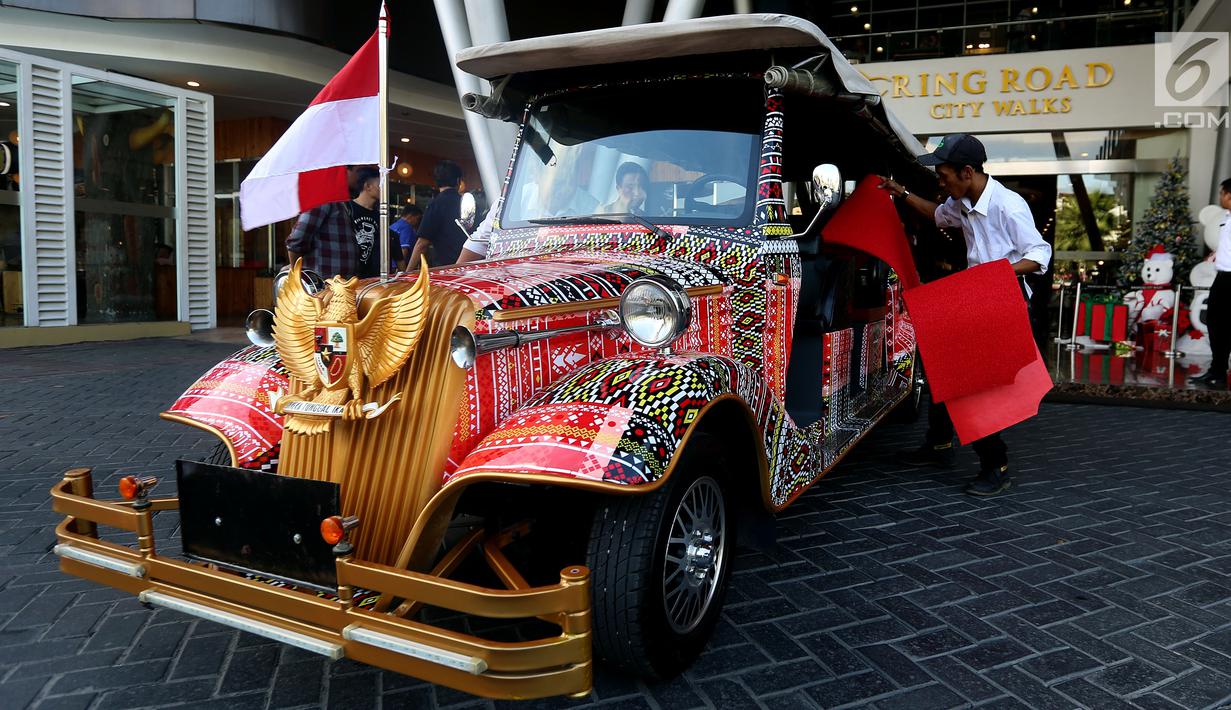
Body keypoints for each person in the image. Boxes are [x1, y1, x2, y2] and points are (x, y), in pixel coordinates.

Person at [879, 133, 1052, 497]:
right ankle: (939, 444)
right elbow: (937, 216)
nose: (940, 182)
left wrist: (999, 273)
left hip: (1002, 298)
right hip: (976, 295)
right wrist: (901, 193)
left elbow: (1039, 254)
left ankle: (996, 466)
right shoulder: (962, 202)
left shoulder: (1008, 204)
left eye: (943, 175)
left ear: (967, 171)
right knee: (942, 362)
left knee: (972, 384)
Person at [1191, 178, 1231, 388]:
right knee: (1216, 324)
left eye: (1222, 193)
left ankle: (1219, 372)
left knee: (1223, 325)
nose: (1220, 197)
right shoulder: (1226, 217)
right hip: (1222, 276)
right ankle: (1217, 371)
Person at [409, 160, 464, 268]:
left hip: (445, 269)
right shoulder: (467, 203)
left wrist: (407, 272)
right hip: (470, 266)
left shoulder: (436, 204)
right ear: (458, 181)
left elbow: (422, 244)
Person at [351, 167, 403, 278]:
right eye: (381, 184)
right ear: (368, 186)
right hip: (350, 278)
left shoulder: (380, 216)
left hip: (373, 279)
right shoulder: (348, 209)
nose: (384, 188)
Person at [392, 204, 423, 270]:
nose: (417, 222)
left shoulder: (394, 226)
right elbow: (404, 249)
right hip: (397, 267)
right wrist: (403, 271)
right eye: (418, 219)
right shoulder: (407, 227)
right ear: (410, 216)